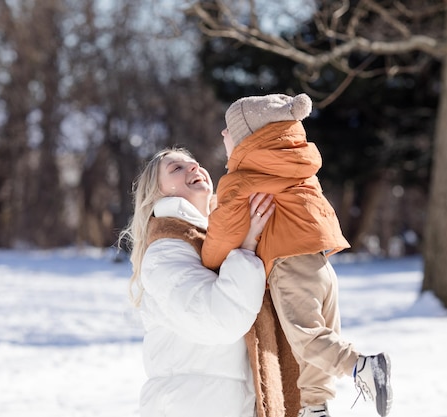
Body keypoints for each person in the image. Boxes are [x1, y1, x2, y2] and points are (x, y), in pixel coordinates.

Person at [202, 93, 393, 417]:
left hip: (289, 266)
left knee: (306, 339)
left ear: (250, 139)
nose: (222, 135)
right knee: (317, 341)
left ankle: (364, 367)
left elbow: (219, 243)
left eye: (228, 130)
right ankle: (315, 407)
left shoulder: (242, 181)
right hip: (320, 266)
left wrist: (209, 257)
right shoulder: (297, 168)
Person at [121, 147, 276, 417]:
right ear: (158, 193)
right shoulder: (166, 251)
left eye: (194, 163)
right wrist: (247, 248)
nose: (193, 168)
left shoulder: (215, 240)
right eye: (176, 169)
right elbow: (220, 319)